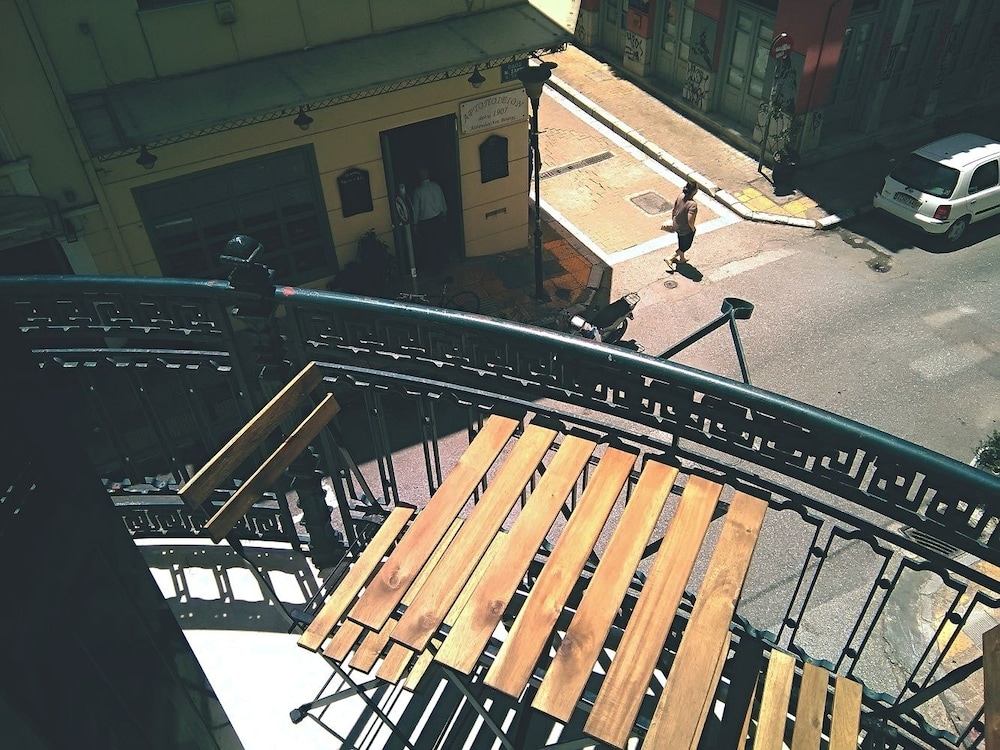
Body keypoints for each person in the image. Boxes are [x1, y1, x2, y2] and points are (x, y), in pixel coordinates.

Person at [410, 166, 449, 270]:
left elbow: (416, 209)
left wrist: (414, 224)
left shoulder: (417, 191)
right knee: (439, 242)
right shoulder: (436, 186)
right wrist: (444, 214)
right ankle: (441, 264)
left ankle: (434, 267)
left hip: (426, 222)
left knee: (429, 245)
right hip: (439, 218)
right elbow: (442, 200)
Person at [667, 181, 698, 271]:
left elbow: (674, 209)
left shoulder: (680, 196)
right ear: (694, 191)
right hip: (685, 228)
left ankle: (682, 259)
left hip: (677, 224)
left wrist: (673, 220)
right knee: (685, 246)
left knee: (681, 241)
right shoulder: (692, 204)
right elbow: (690, 219)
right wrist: (692, 228)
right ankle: (670, 258)